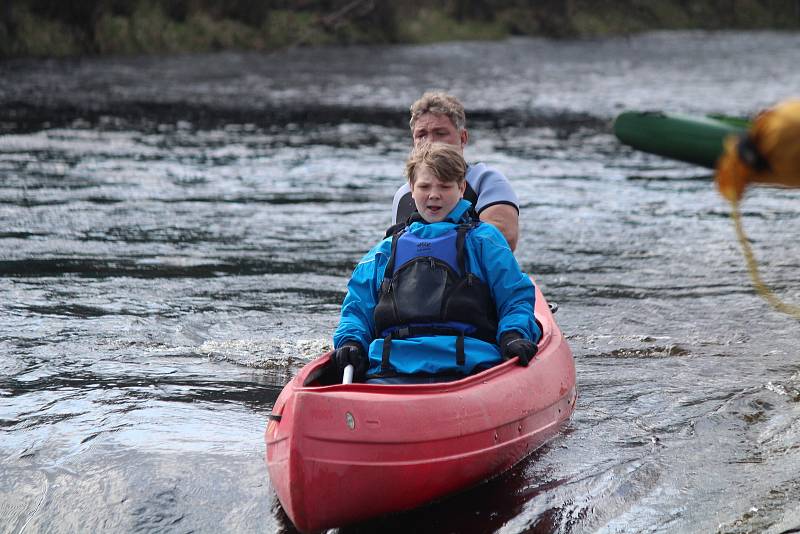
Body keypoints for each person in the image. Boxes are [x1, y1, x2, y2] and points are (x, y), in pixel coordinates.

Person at [332, 143, 540, 384]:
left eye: (444, 186)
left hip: (472, 373)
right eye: (424, 186)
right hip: (391, 372)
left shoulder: (484, 241)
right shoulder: (385, 251)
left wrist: (513, 335)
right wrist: (351, 341)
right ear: (411, 188)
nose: (434, 195)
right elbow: (357, 308)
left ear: (461, 188)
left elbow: (515, 297)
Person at [390, 91, 521, 250]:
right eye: (422, 135)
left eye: (441, 133)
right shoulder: (404, 194)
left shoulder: (487, 182)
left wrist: (431, 249)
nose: (431, 142)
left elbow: (503, 240)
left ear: (463, 138)